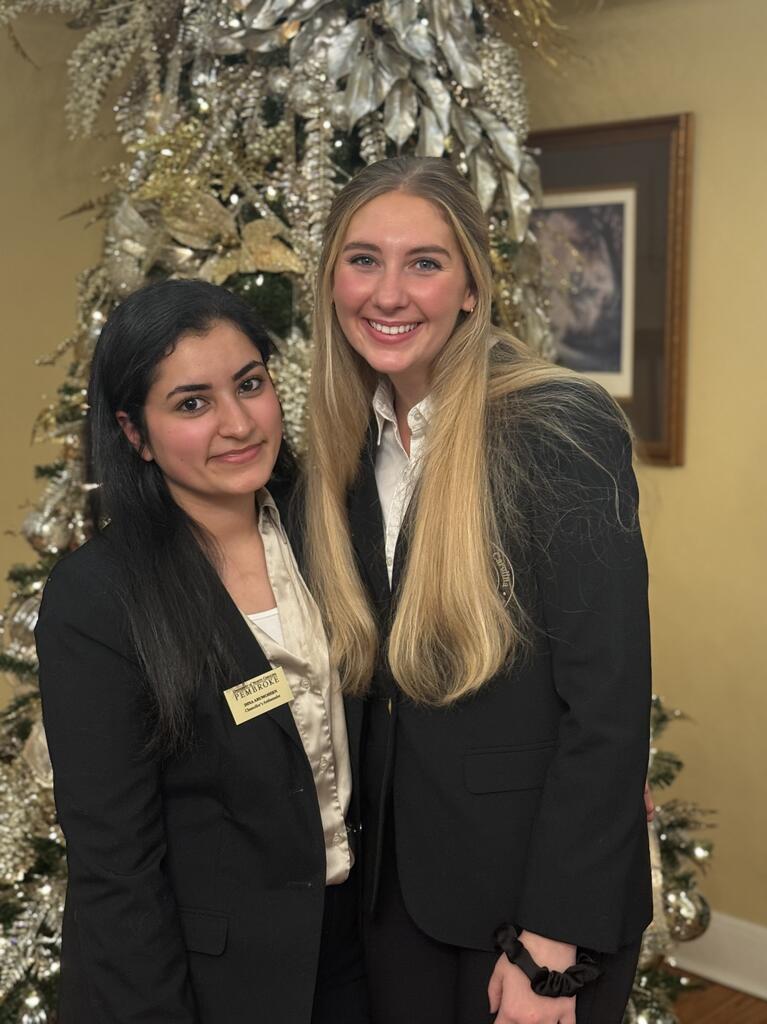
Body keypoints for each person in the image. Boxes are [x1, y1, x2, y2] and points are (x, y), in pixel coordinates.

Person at [302, 157, 652, 1024]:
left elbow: (606, 707)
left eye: (424, 262)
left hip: (529, 914)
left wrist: (549, 954)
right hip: (394, 900)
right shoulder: (347, 444)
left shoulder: (556, 426)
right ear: (331, 282)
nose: (389, 293)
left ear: (469, 287)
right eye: (362, 260)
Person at [35, 280, 369, 1024]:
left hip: (354, 959)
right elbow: (116, 872)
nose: (238, 423)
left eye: (250, 385)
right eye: (192, 403)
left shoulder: (332, 537)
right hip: (205, 983)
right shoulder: (97, 601)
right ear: (134, 432)